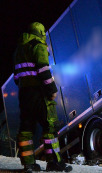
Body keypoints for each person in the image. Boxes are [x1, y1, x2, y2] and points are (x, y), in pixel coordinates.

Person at [13, 22, 72, 172]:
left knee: (26, 128)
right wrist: (51, 89)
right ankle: (54, 163)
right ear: (40, 33)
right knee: (49, 127)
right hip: (39, 93)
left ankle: (29, 165)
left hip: (24, 93)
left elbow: (16, 77)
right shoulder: (38, 45)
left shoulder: (19, 49)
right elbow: (43, 69)